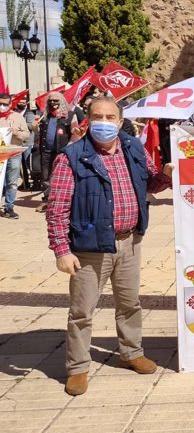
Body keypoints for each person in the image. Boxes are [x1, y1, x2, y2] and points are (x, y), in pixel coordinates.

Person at [46, 96, 173, 396]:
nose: (104, 122)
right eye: (98, 117)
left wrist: (166, 174)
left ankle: (132, 353)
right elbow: (57, 208)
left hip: (129, 241)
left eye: (110, 117)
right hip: (90, 247)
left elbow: (150, 185)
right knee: (82, 311)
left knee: (129, 303)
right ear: (89, 120)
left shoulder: (133, 148)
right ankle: (77, 368)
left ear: (120, 121)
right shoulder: (71, 157)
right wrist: (61, 250)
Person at [33, 91, 79, 211]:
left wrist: (71, 143)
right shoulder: (45, 115)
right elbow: (37, 132)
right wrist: (34, 126)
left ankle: (63, 201)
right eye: (50, 100)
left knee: (61, 176)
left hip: (63, 152)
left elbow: (75, 133)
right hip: (46, 151)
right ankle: (47, 200)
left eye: (55, 100)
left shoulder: (70, 115)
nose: (52, 103)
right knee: (46, 176)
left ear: (61, 101)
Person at [0, 92, 31, 219]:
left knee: (12, 182)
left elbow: (27, 135)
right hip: (0, 154)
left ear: (11, 104)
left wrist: (15, 132)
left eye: (5, 104)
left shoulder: (18, 117)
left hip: (13, 153)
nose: (2, 106)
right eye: (0, 104)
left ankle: (9, 207)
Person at [16, 95, 36, 191]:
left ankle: (32, 182)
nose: (22, 104)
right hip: (17, 142)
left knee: (28, 163)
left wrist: (19, 122)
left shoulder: (29, 114)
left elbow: (31, 126)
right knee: (20, 164)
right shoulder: (14, 113)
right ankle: (25, 182)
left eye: (24, 102)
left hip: (27, 142)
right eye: (20, 102)